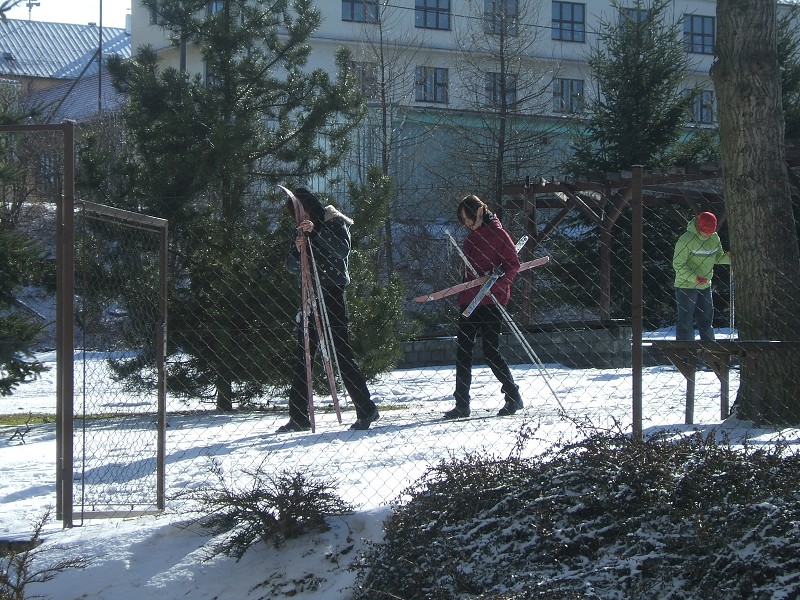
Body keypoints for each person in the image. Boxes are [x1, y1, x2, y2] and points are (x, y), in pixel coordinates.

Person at [278, 186, 379, 432]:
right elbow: (291, 265)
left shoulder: (333, 222)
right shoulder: (299, 230)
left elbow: (342, 251)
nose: (299, 219)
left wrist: (317, 233)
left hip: (332, 293)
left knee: (341, 352)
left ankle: (366, 409)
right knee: (305, 353)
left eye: (300, 212)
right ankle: (299, 416)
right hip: (310, 295)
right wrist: (299, 248)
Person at [445, 195, 523, 419]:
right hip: (469, 300)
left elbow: (512, 265)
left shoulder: (499, 234)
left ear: (479, 211)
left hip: (492, 300)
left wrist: (496, 285)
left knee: (490, 351)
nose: (466, 223)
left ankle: (513, 396)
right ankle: (462, 404)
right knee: (463, 352)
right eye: (462, 219)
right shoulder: (470, 239)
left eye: (467, 217)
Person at [672, 211, 731, 341]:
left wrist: (730, 258)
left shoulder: (714, 237)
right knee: (685, 322)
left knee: (706, 321)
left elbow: (718, 257)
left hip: (705, 285)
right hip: (686, 285)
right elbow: (678, 264)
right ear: (698, 227)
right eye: (705, 231)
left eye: (710, 231)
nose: (707, 234)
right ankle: (686, 355)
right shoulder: (685, 239)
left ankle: (710, 353)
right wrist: (694, 278)